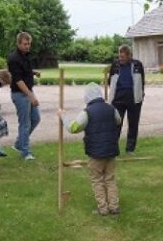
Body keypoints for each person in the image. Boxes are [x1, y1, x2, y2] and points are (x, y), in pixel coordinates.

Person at [58, 83, 122, 215]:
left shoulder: (87, 112)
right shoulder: (111, 108)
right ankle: (114, 206)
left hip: (96, 153)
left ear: (87, 97)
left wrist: (63, 116)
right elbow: (118, 121)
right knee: (110, 178)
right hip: (111, 150)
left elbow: (73, 128)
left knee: (97, 179)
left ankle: (103, 208)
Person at [8, 32, 41, 160]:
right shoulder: (13, 59)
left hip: (28, 91)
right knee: (25, 123)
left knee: (36, 119)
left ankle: (18, 143)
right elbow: (18, 80)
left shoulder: (26, 56)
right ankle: (25, 152)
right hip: (20, 94)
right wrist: (30, 96)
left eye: (29, 44)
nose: (28, 46)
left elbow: (24, 71)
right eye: (25, 44)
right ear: (19, 43)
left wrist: (33, 72)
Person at [107, 44, 145, 154]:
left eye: (123, 57)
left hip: (134, 99)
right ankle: (113, 148)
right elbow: (111, 81)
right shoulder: (115, 65)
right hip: (118, 99)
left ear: (129, 56)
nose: (120, 59)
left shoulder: (138, 65)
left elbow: (142, 81)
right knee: (116, 124)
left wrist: (141, 95)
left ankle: (130, 149)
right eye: (119, 56)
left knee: (133, 124)